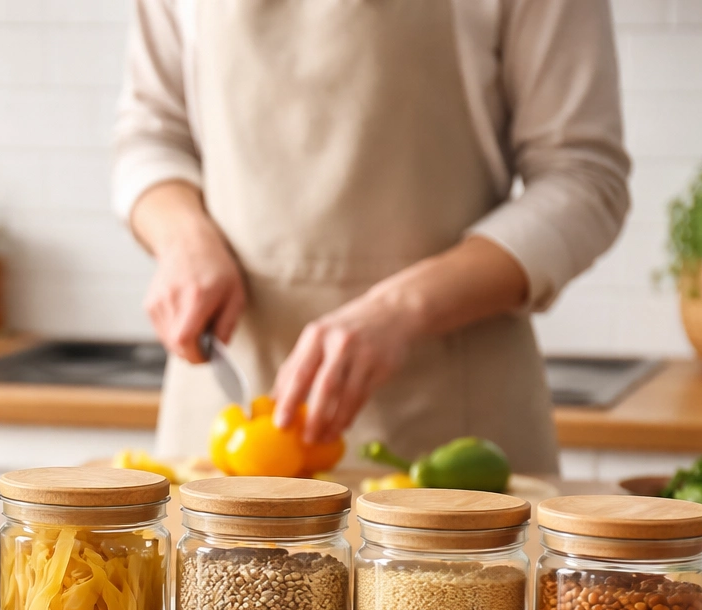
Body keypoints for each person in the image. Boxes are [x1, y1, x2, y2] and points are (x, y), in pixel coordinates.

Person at [114, 0, 631, 471]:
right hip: (225, 397)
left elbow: (584, 179)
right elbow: (151, 136)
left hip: (450, 423)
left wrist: (404, 308)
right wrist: (183, 238)